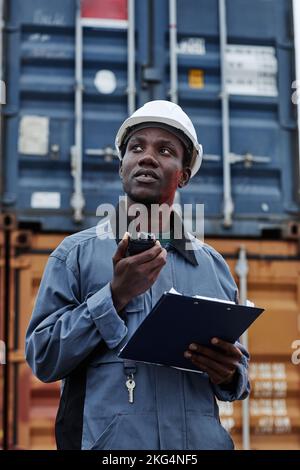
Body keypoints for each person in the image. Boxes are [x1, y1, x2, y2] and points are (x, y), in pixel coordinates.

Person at [25, 100, 250, 450]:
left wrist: (231, 373)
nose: (147, 157)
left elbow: (239, 371)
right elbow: (43, 358)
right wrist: (113, 297)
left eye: (165, 150)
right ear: (122, 165)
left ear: (184, 174)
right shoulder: (76, 255)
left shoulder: (213, 266)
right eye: (136, 147)